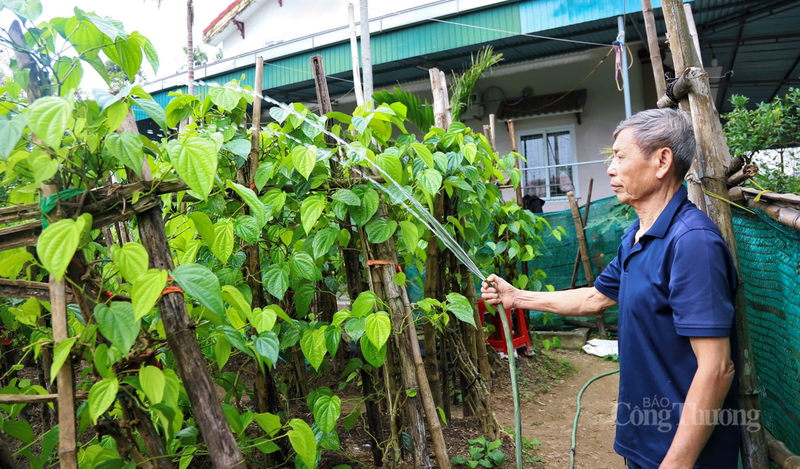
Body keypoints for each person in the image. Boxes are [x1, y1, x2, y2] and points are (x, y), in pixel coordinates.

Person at [481, 108, 741, 469]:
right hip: (644, 438)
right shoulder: (636, 237)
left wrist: (676, 464)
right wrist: (516, 297)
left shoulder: (692, 244)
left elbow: (717, 368)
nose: (610, 168)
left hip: (684, 453)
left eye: (620, 156)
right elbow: (595, 297)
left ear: (662, 160)